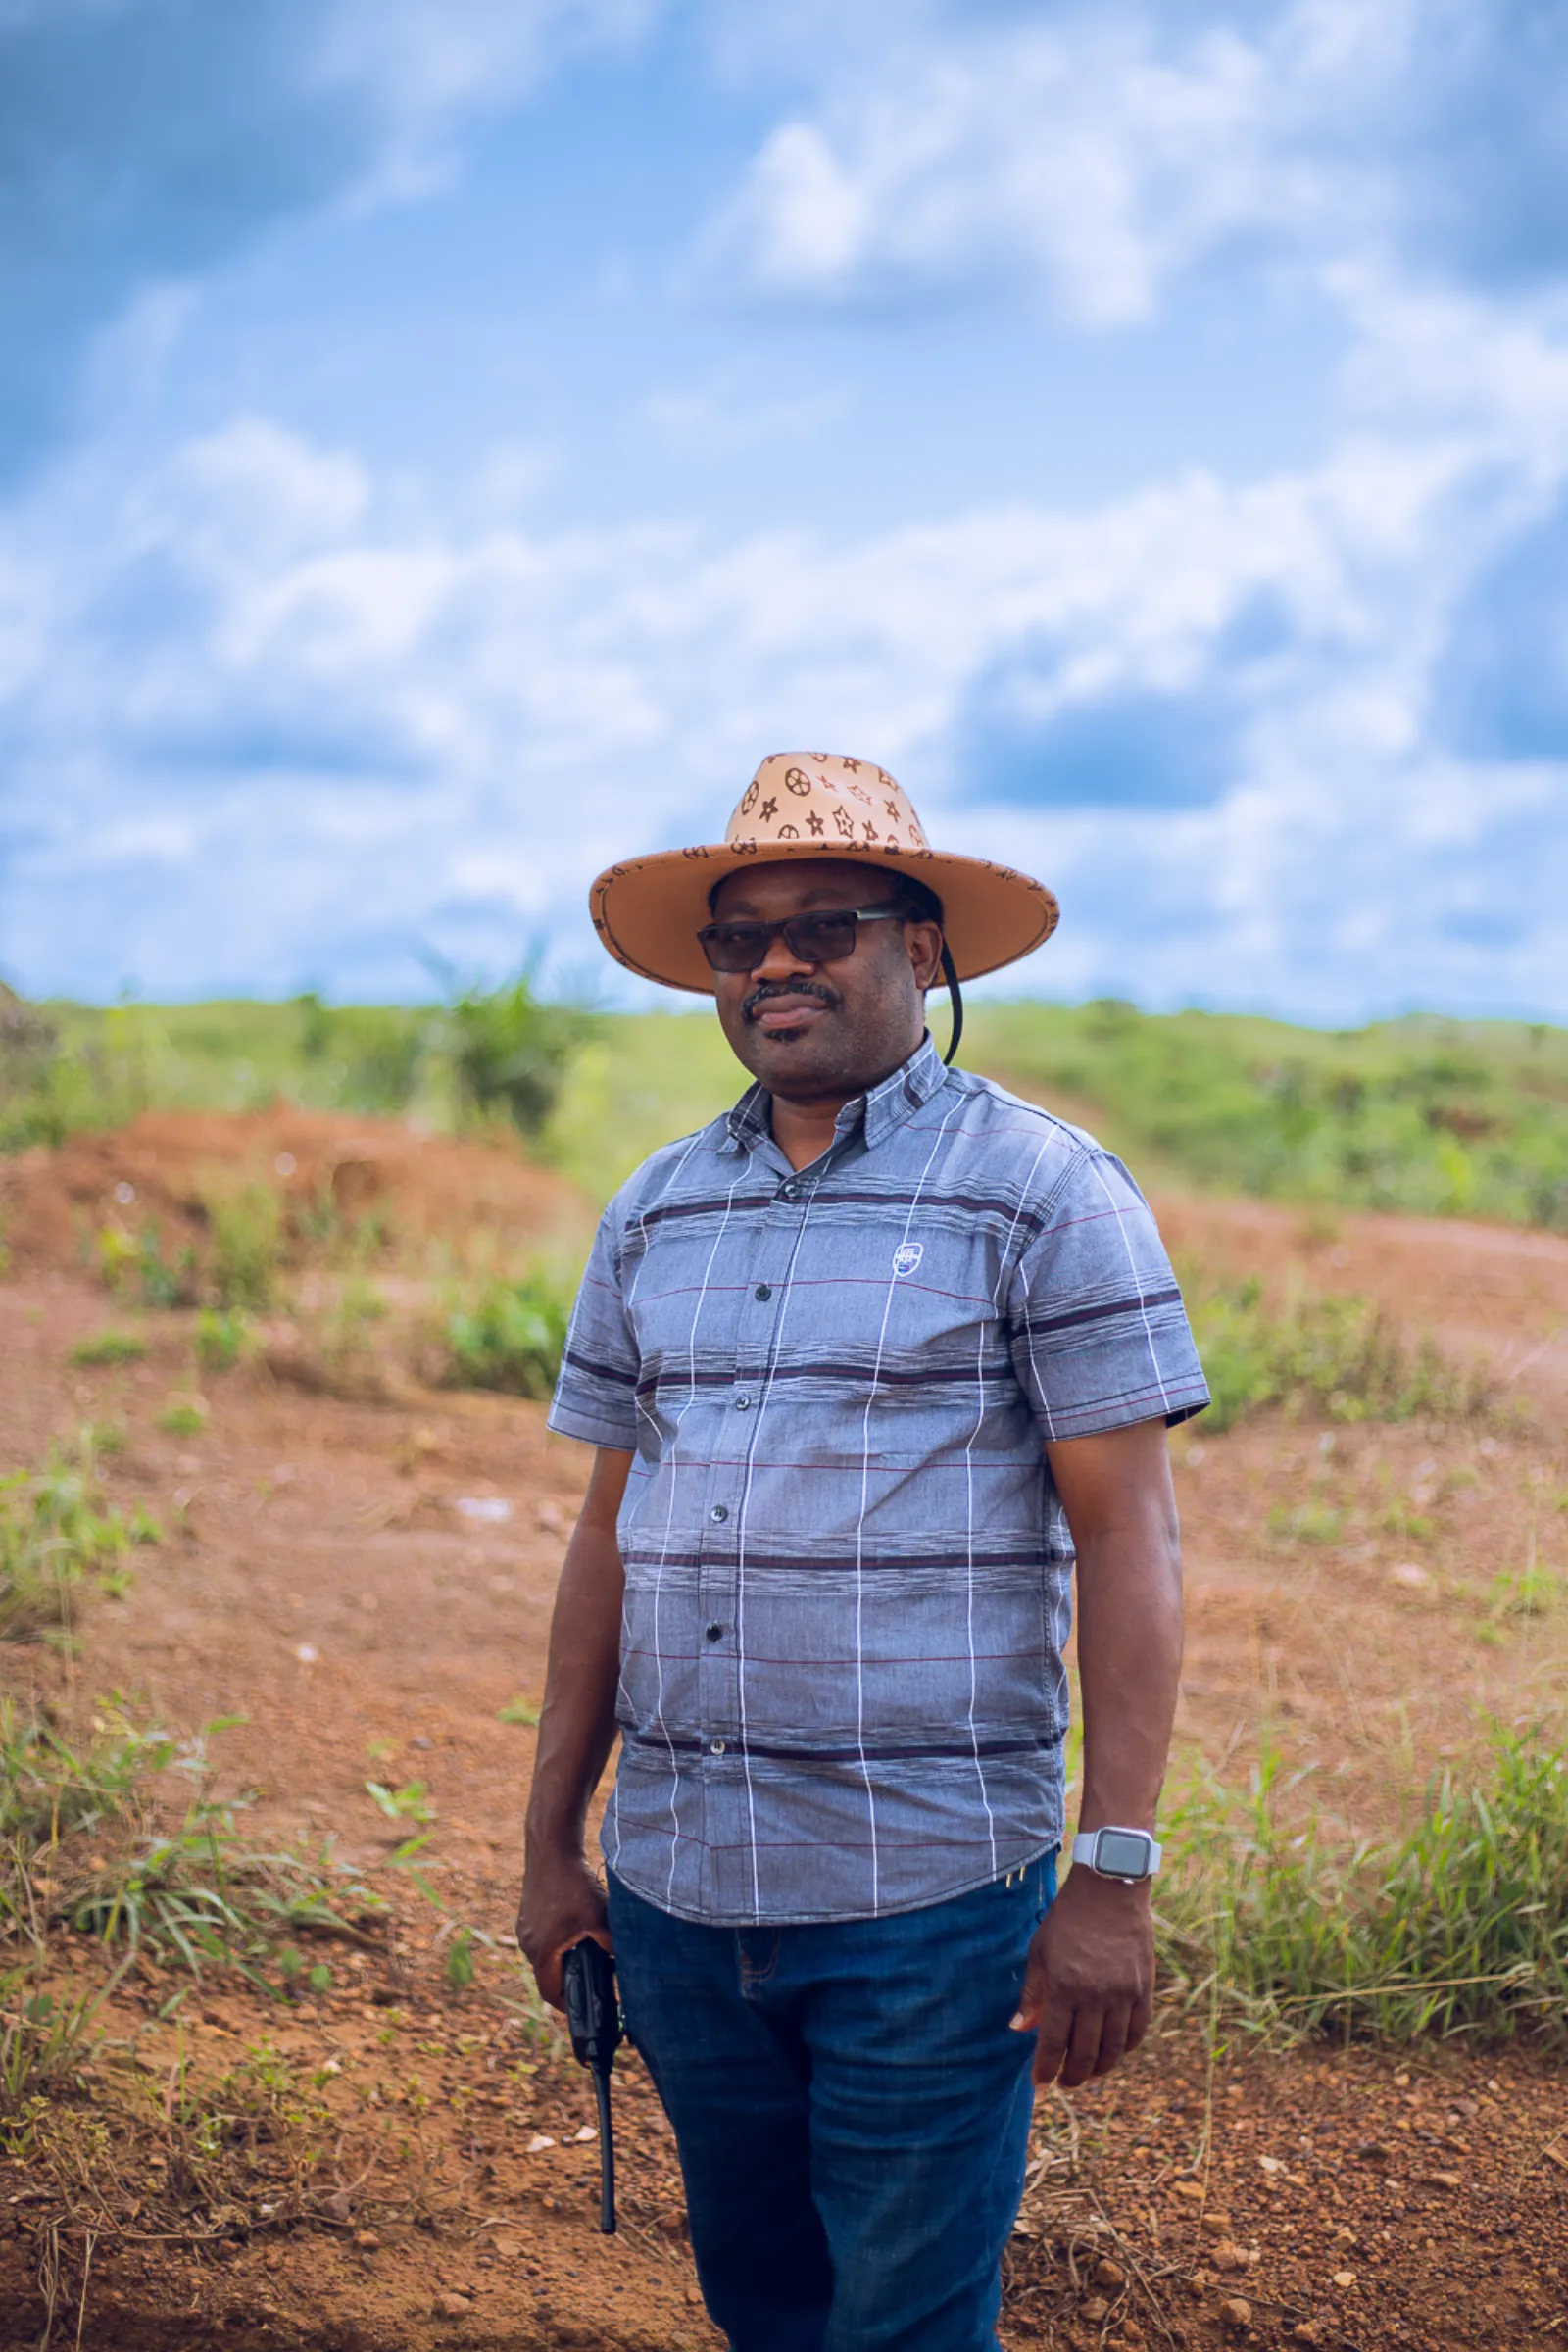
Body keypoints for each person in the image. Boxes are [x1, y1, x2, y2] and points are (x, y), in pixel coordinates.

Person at [517, 754, 1208, 2352]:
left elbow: (1133, 1541)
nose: (775, 965)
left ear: (926, 949)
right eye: (738, 939)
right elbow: (608, 1541)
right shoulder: (655, 1213)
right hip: (681, 1894)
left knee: (901, 2323)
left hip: (930, 1899)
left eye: (822, 926)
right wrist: (555, 1836)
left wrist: (1110, 1873)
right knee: (764, 2302)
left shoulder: (1044, 1195)